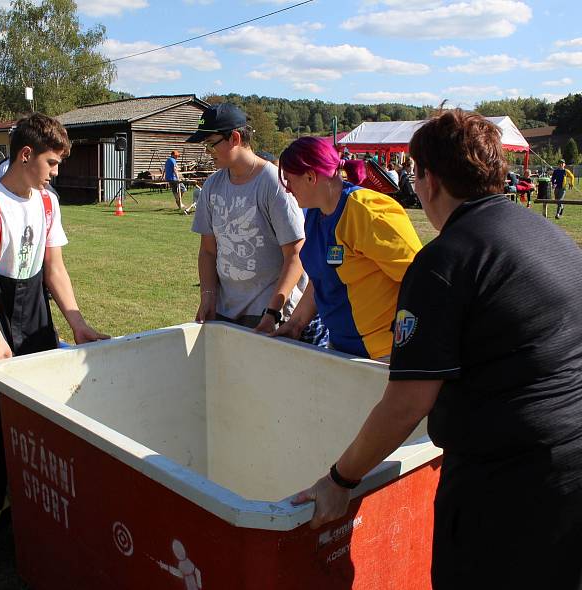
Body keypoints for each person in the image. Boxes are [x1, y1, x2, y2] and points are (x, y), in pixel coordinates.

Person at [291, 110, 582, 589]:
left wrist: (339, 481)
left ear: (425, 178)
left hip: (508, 484)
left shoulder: (446, 261)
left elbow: (408, 402)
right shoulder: (548, 236)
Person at [0, 113, 109, 568]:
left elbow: (53, 268)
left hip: (34, 313)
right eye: (53, 163)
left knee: (39, 420)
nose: (56, 172)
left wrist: (76, 323)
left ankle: (34, 513)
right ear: (26, 155)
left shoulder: (47, 202)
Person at [272, 137, 421, 360]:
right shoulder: (315, 213)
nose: (287, 190)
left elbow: (421, 280)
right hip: (342, 349)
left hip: (384, 355)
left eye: (289, 181)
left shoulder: (367, 212)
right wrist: (295, 324)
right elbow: (321, 278)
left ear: (311, 177)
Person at [187, 103, 305, 334]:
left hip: (267, 313)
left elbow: (296, 255)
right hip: (225, 311)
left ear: (235, 138)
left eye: (211, 144)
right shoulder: (212, 186)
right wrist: (208, 297)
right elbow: (208, 251)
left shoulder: (273, 183)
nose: (208, 153)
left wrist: (273, 312)